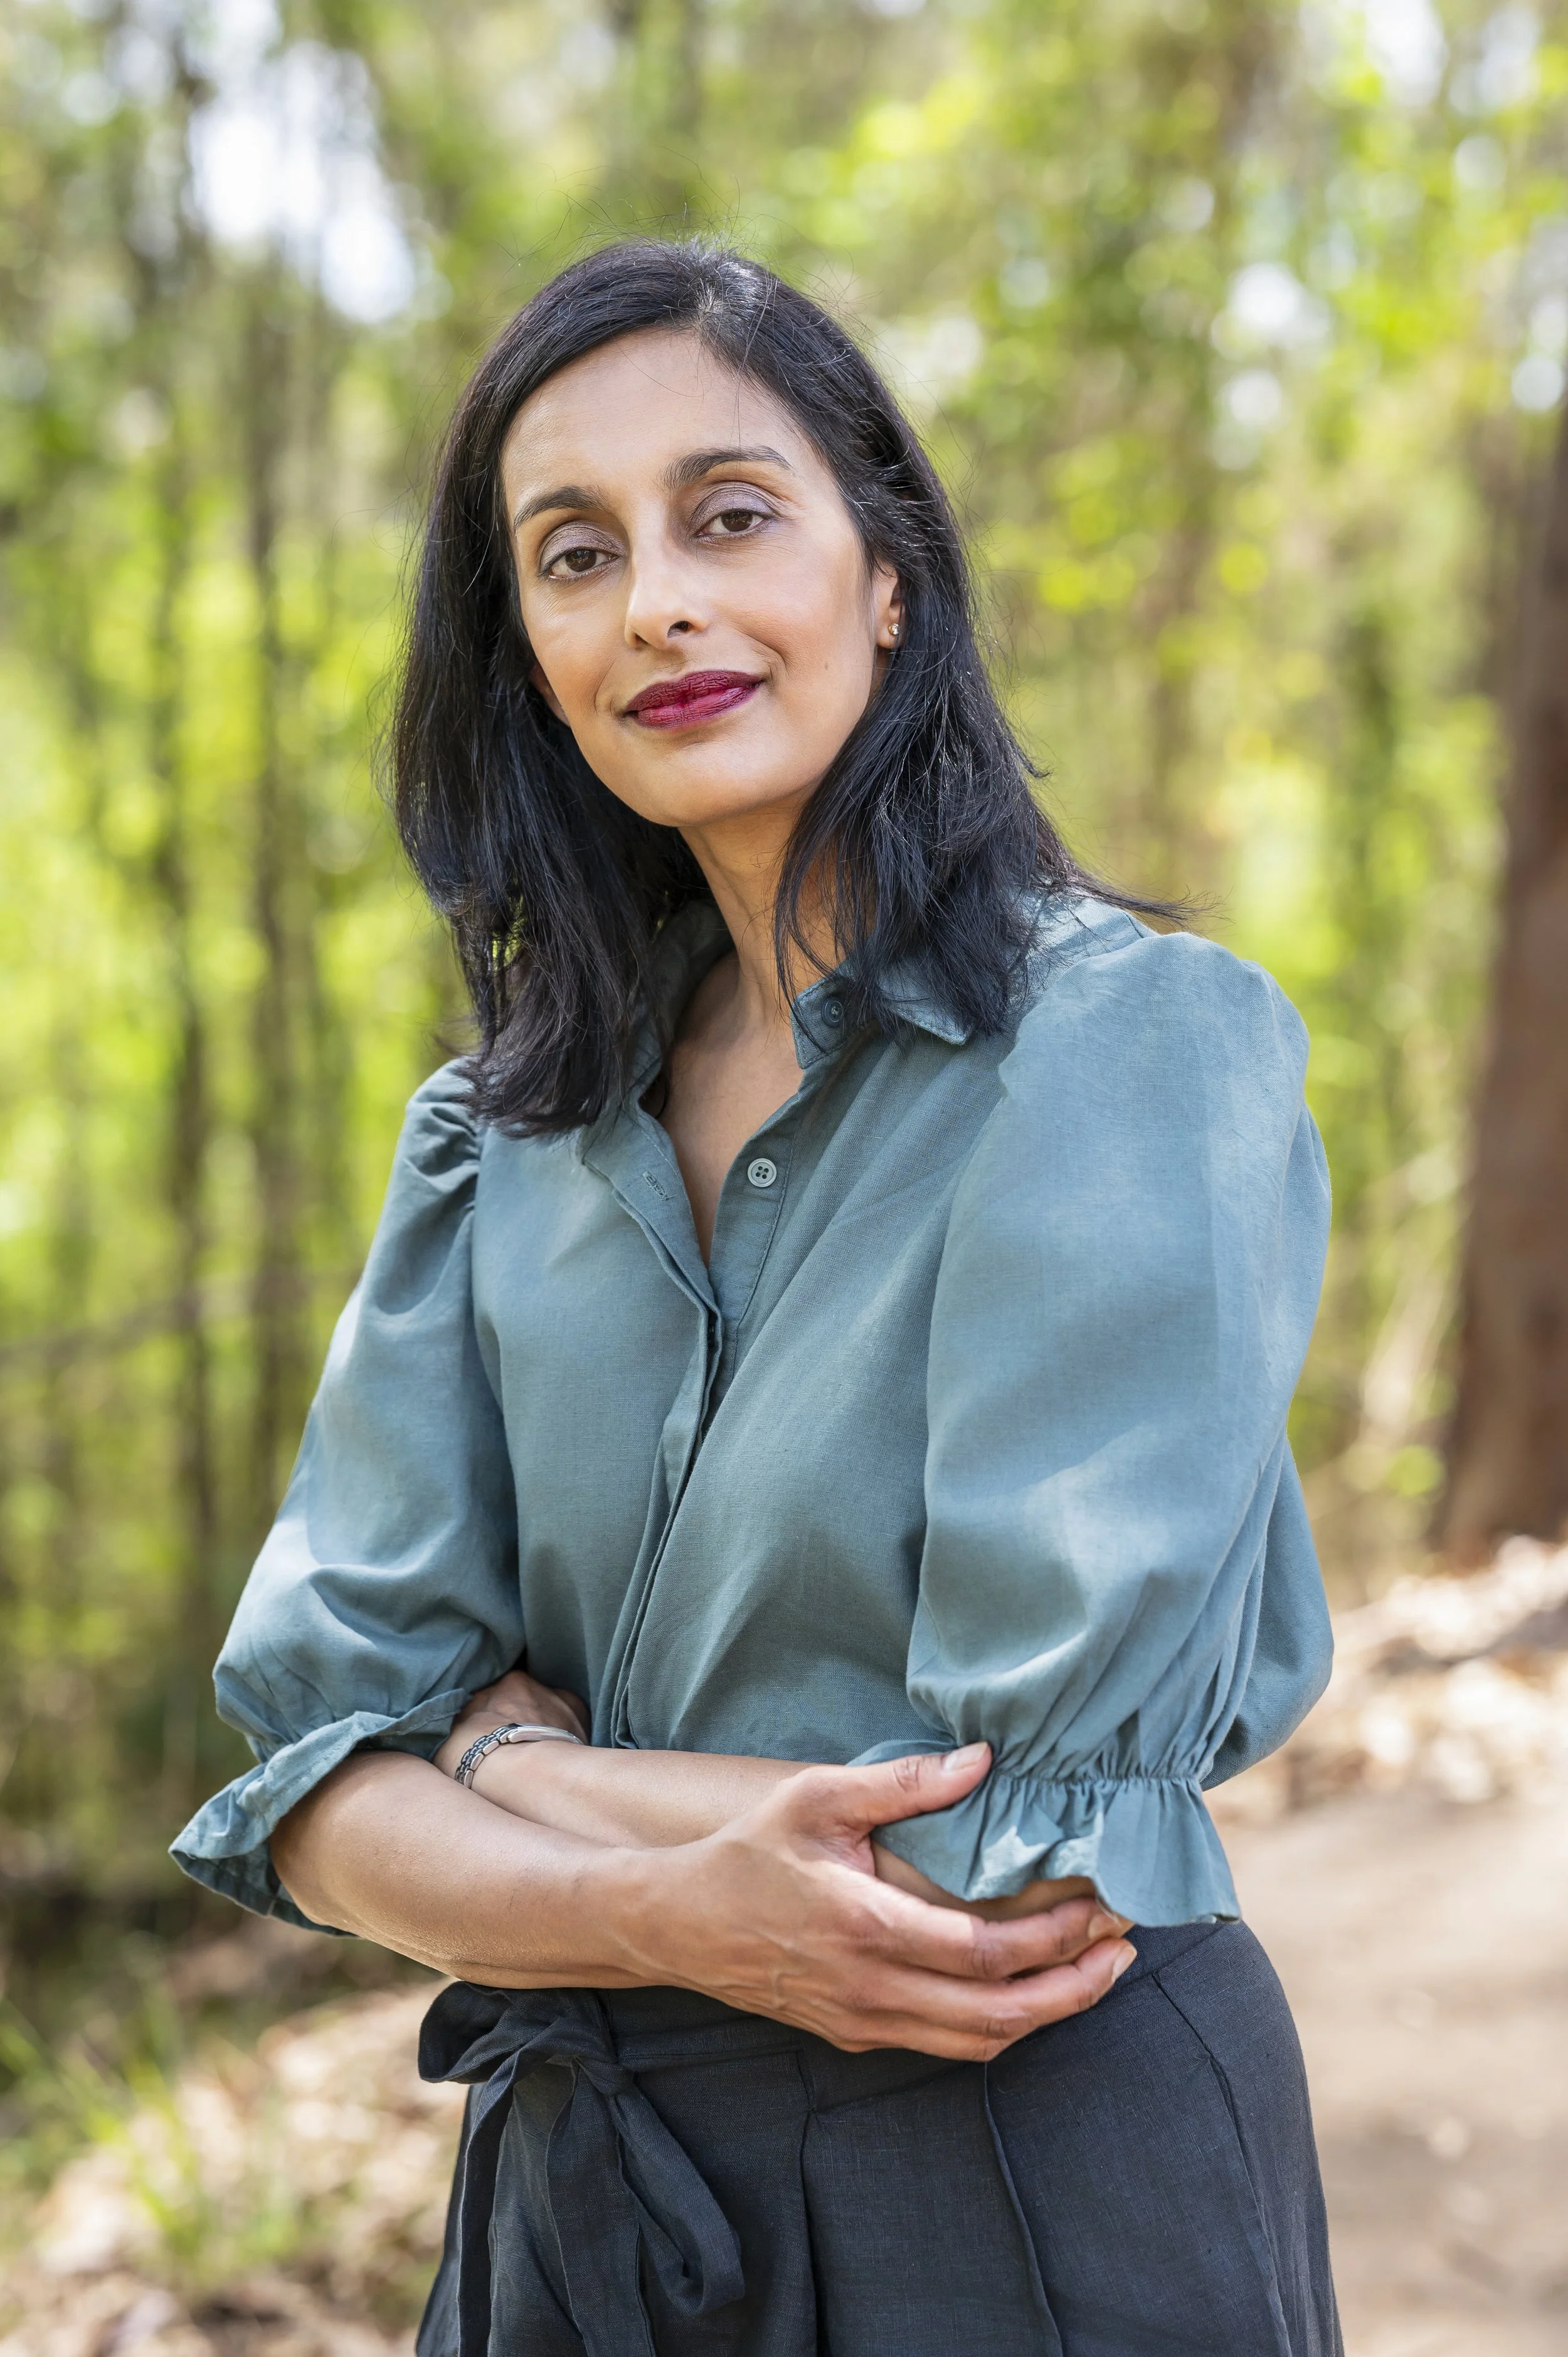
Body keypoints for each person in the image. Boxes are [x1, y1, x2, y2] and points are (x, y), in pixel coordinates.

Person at [172, 239, 1342, 2356]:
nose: (657, 605)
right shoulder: (494, 1147)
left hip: (1018, 2183)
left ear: (885, 573)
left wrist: (507, 1776)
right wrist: (633, 1894)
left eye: (729, 515)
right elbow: (310, 1779)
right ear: (522, 646)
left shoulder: (1128, 1056)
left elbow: (994, 1860)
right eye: (572, 554)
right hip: (578, 2214)